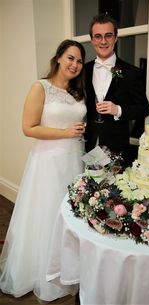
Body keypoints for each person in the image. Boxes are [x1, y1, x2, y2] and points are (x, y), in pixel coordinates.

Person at [0, 40, 86, 303]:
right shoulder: (41, 87)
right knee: (47, 215)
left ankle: (68, 268)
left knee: (69, 217)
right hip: (48, 162)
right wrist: (64, 132)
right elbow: (28, 127)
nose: (75, 64)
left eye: (80, 61)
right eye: (70, 58)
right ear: (59, 57)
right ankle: (43, 274)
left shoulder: (77, 92)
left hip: (75, 160)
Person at [84, 13, 149, 166]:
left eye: (108, 36)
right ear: (92, 39)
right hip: (87, 145)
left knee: (113, 189)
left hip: (117, 148)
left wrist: (118, 110)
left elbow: (144, 109)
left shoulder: (132, 72)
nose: (103, 41)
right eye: (98, 36)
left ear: (115, 38)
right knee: (87, 187)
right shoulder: (83, 71)